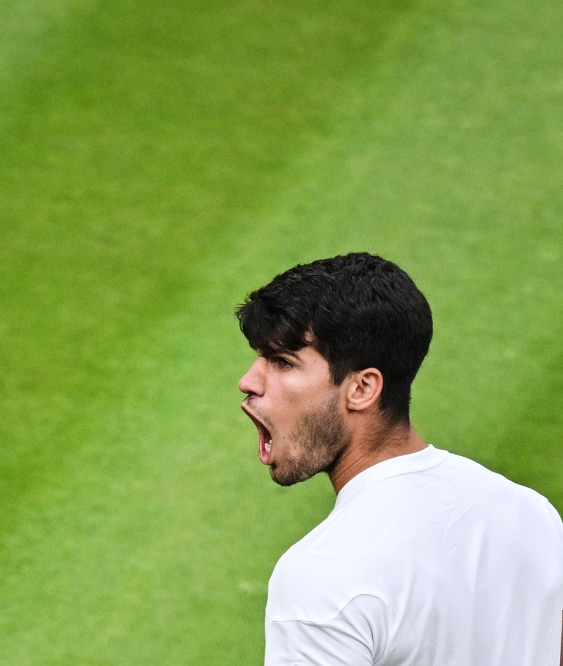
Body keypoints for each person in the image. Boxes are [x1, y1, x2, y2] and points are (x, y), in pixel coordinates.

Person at [235, 252, 563, 665]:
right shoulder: (531, 512)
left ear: (362, 388)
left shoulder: (321, 577)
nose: (249, 381)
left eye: (283, 362)